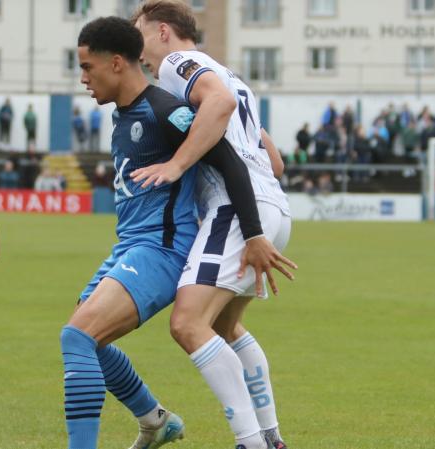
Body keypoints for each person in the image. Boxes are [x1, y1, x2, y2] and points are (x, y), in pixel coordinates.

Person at [62, 17, 272, 449]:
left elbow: (230, 161)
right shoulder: (124, 113)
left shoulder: (164, 110)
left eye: (88, 67)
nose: (83, 79)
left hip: (162, 249)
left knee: (77, 337)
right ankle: (155, 421)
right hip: (129, 246)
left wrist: (253, 234)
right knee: (90, 344)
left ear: (117, 63)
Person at [133, 2, 297, 448]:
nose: (139, 53)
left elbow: (218, 105)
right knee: (224, 327)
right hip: (271, 205)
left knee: (187, 323)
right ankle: (270, 437)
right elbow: (275, 161)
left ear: (164, 32)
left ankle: (251, 441)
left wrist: (177, 163)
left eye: (140, 37)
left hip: (237, 209)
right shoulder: (234, 78)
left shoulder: (176, 64)